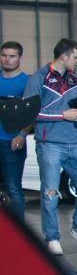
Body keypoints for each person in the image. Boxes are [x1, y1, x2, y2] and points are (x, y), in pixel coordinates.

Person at [23, 39, 77, 254]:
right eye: (76, 57)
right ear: (64, 56)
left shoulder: (75, 80)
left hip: (76, 144)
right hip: (50, 145)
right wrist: (62, 115)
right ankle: (52, 237)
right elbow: (30, 112)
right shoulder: (39, 78)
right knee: (50, 194)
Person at [0, 41, 30, 216]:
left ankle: (18, 235)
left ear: (20, 58)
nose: (7, 59)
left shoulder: (27, 82)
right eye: (4, 55)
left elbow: (33, 112)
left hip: (12, 142)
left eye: (12, 56)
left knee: (13, 188)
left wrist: (22, 134)